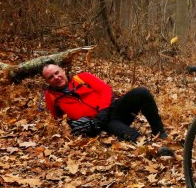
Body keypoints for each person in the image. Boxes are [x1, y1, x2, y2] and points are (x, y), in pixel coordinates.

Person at [42, 62, 171, 148]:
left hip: (114, 109)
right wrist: (72, 124)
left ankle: (159, 132)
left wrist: (103, 112)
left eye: (57, 73)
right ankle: (151, 148)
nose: (56, 77)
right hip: (99, 125)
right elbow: (57, 117)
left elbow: (106, 90)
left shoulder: (83, 77)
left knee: (141, 92)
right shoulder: (51, 96)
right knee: (130, 135)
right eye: (51, 77)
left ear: (63, 71)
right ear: (48, 81)